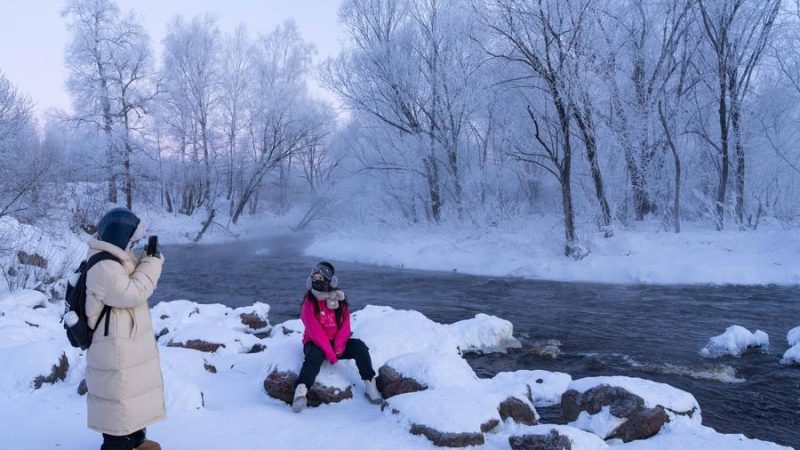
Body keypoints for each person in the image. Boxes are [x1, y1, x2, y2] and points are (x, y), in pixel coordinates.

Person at [84, 207, 165, 450]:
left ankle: (137, 440)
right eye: (132, 240)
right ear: (121, 237)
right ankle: (117, 445)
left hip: (124, 342)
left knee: (131, 395)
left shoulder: (116, 256)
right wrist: (152, 263)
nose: (134, 244)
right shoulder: (103, 267)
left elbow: (130, 274)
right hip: (113, 347)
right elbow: (133, 293)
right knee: (117, 400)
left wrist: (146, 258)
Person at [292, 261, 382, 412]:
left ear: (330, 281)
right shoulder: (309, 303)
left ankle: (370, 384)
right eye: (315, 278)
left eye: (321, 278)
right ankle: (301, 392)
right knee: (314, 355)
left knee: (359, 347)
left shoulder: (339, 300)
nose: (317, 281)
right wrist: (331, 354)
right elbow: (316, 332)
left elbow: (345, 326)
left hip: (336, 344)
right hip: (315, 343)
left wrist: (339, 347)